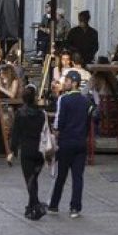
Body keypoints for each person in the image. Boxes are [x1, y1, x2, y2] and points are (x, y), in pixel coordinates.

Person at [48, 71, 91, 218]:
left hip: (66, 142)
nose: (64, 83)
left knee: (61, 176)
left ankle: (54, 205)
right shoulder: (86, 100)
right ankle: (75, 207)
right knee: (78, 177)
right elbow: (88, 121)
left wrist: (55, 135)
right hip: (80, 143)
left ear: (74, 83)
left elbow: (59, 122)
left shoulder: (63, 99)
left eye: (66, 81)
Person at [9, 86, 48, 220]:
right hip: (39, 151)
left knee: (30, 180)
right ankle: (31, 207)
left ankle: (35, 206)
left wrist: (12, 151)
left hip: (26, 150)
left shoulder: (20, 114)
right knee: (34, 179)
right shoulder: (41, 114)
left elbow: (15, 134)